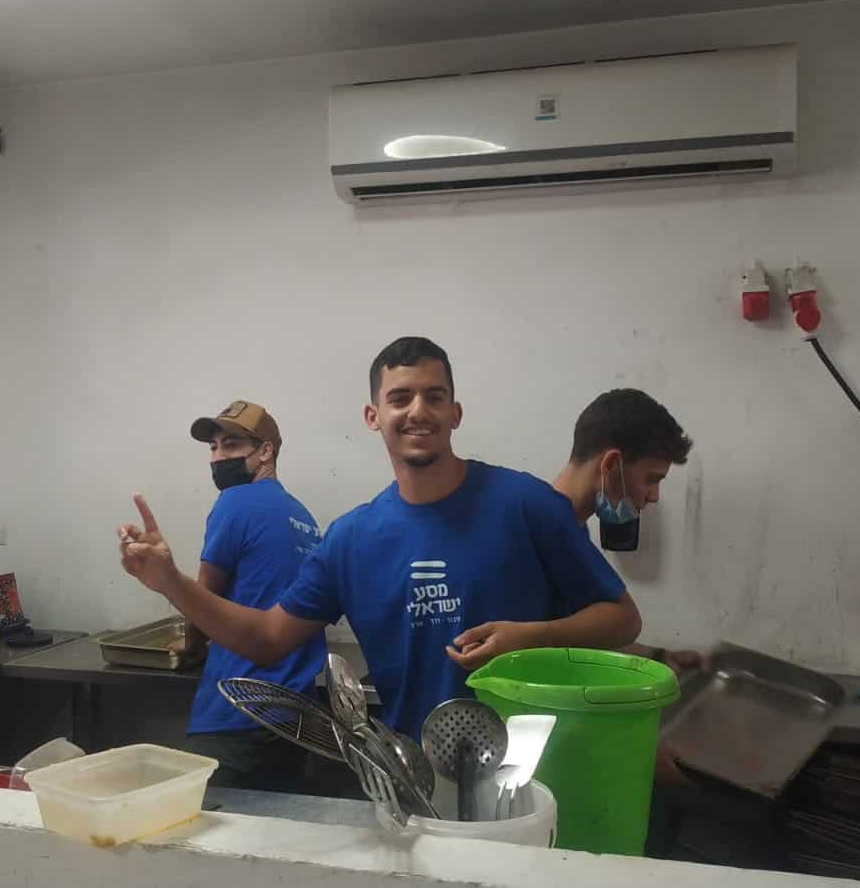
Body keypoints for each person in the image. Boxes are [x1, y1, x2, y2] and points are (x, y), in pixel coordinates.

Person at [118, 337, 642, 739]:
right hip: (414, 777)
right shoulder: (351, 540)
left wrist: (529, 637)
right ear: (374, 417)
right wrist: (171, 582)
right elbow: (268, 638)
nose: (418, 411)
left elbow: (621, 619)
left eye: (434, 396)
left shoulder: (526, 504)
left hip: (533, 769)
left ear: (455, 413)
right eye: (400, 398)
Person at [173, 400, 327, 792]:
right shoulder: (304, 517)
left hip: (237, 710)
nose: (217, 458)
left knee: (203, 825)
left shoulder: (234, 502)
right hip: (295, 717)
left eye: (232, 445)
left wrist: (191, 648)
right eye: (213, 447)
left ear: (265, 451)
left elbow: (202, 600)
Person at [551, 388, 703, 672]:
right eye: (651, 479)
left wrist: (656, 656)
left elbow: (573, 638)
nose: (654, 496)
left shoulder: (572, 530)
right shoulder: (541, 529)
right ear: (611, 465)